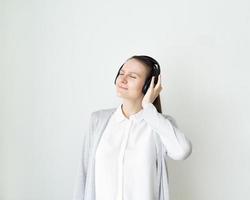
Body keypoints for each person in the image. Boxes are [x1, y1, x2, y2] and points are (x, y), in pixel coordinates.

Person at [72, 55, 192, 200]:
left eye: (132, 76)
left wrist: (148, 108)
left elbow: (182, 151)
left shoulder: (159, 124)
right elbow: (83, 175)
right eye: (122, 73)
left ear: (148, 85)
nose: (123, 79)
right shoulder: (98, 121)